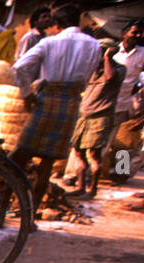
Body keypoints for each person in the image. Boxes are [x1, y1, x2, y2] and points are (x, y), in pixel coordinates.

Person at [10, 3, 102, 217]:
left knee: (20, 157)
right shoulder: (94, 45)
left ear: (57, 24)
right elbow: (88, 79)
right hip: (70, 103)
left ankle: (2, 207)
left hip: (46, 100)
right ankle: (30, 215)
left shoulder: (50, 42)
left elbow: (20, 66)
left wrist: (27, 94)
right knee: (47, 165)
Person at [69, 39, 125, 197]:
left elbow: (109, 77)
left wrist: (107, 57)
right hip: (83, 116)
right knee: (78, 152)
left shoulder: (119, 69)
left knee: (97, 154)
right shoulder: (91, 69)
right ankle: (81, 186)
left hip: (105, 116)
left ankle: (97, 187)